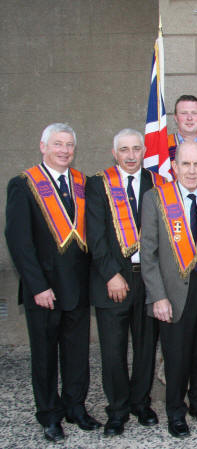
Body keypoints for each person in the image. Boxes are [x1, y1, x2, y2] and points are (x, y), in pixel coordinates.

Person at [5, 123, 100, 442]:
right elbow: (19, 241)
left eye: (69, 145)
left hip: (77, 287)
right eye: (58, 144)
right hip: (44, 289)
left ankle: (75, 407)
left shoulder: (82, 183)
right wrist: (36, 286)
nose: (64, 150)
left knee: (77, 354)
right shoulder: (23, 184)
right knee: (44, 356)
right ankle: (49, 415)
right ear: (43, 146)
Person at [86, 129, 165, 436]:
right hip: (113, 282)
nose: (131, 155)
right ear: (114, 152)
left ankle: (140, 402)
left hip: (147, 281)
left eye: (136, 149)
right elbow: (95, 235)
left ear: (144, 151)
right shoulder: (97, 184)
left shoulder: (157, 184)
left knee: (146, 347)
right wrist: (110, 274)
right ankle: (117, 409)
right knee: (114, 351)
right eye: (124, 150)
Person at [140, 141, 197, 438]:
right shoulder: (156, 198)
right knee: (176, 354)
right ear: (174, 167)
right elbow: (148, 253)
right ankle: (176, 410)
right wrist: (157, 296)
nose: (191, 170)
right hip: (172, 292)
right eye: (185, 164)